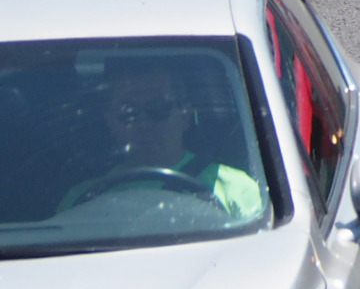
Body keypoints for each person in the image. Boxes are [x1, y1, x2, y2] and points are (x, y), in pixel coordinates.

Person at [76, 65, 264, 222]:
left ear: (185, 115)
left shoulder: (235, 189)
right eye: (128, 111)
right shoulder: (83, 199)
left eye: (158, 109)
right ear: (110, 121)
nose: (144, 124)